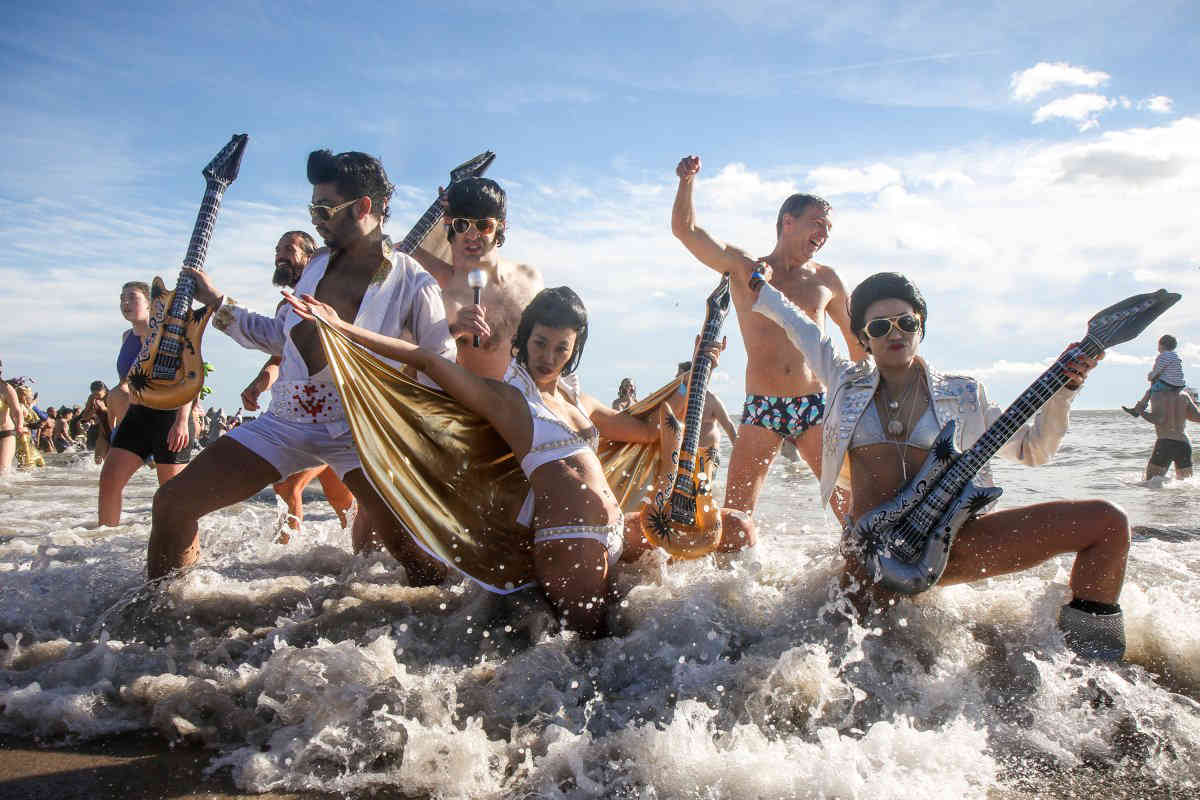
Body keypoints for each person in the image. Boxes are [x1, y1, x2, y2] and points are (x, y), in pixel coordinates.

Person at [750, 269, 1130, 660]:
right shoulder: (844, 381)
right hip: (871, 555)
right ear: (863, 338)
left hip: (948, 547)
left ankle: (1090, 667)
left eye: (907, 322)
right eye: (880, 327)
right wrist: (757, 282)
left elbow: (1035, 450)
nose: (895, 333)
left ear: (921, 327)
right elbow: (799, 326)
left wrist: (1066, 389)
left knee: (1107, 522)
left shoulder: (963, 393)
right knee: (841, 661)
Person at [285, 285, 695, 637]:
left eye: (561, 348)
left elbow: (645, 431)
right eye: (540, 343)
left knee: (715, 543)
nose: (548, 356)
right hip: (569, 540)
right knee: (591, 654)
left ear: (574, 351)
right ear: (524, 339)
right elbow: (427, 361)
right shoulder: (508, 399)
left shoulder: (578, 401)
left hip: (613, 534)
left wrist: (698, 366)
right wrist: (340, 327)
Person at [146, 148, 454, 583]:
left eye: (324, 207)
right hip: (285, 421)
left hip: (361, 432)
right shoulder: (314, 269)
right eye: (312, 207)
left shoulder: (413, 282)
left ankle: (439, 635)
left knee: (414, 557)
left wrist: (414, 443)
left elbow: (441, 368)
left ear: (364, 207)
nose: (315, 217)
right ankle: (159, 619)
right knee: (173, 504)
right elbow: (281, 337)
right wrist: (218, 304)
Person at [671, 154, 866, 549]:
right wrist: (687, 182)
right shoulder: (746, 269)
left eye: (828, 228)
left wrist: (869, 400)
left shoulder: (827, 280)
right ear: (788, 222)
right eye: (817, 223)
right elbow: (686, 230)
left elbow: (855, 342)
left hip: (815, 407)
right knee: (733, 521)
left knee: (855, 517)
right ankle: (733, 597)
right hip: (761, 408)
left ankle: (865, 579)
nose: (824, 233)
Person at [239, 230, 356, 538]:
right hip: (306, 414)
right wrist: (259, 383)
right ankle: (361, 559)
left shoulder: (327, 296)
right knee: (338, 494)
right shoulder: (286, 307)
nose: (280, 255)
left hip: (333, 416)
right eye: (277, 249)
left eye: (288, 249)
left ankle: (283, 559)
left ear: (309, 256)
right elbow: (282, 358)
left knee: (289, 485)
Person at [411, 177, 544, 380]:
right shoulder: (439, 289)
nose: (472, 235)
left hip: (526, 404)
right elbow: (392, 252)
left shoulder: (529, 279)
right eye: (462, 224)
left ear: (502, 226)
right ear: (449, 224)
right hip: (467, 406)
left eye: (484, 226)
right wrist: (454, 330)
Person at [97, 281, 195, 526]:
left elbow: (190, 375)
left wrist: (183, 420)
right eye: (122, 298)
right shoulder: (126, 337)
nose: (125, 303)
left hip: (169, 418)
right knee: (109, 481)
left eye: (132, 297)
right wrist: (106, 430)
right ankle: (102, 544)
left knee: (172, 495)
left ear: (151, 304)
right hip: (136, 418)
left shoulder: (168, 332)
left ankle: (181, 550)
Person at [1134, 386, 1198, 480]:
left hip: (1166, 443)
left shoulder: (1158, 395)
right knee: (1185, 486)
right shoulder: (1184, 395)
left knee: (1150, 484)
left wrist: (1141, 411)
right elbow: (1197, 417)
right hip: (1184, 445)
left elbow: (1159, 419)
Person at [1124, 334, 1186, 417]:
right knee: (1159, 382)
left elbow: (1156, 372)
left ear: (1161, 345)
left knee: (1149, 391)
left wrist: (1150, 376)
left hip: (1169, 384)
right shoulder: (1176, 356)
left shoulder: (1163, 356)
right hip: (1180, 385)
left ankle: (1137, 410)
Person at [0, 361, 21, 475]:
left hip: (5, 433)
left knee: (2, 470)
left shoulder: (6, 389)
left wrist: (19, 426)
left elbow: (17, 411)